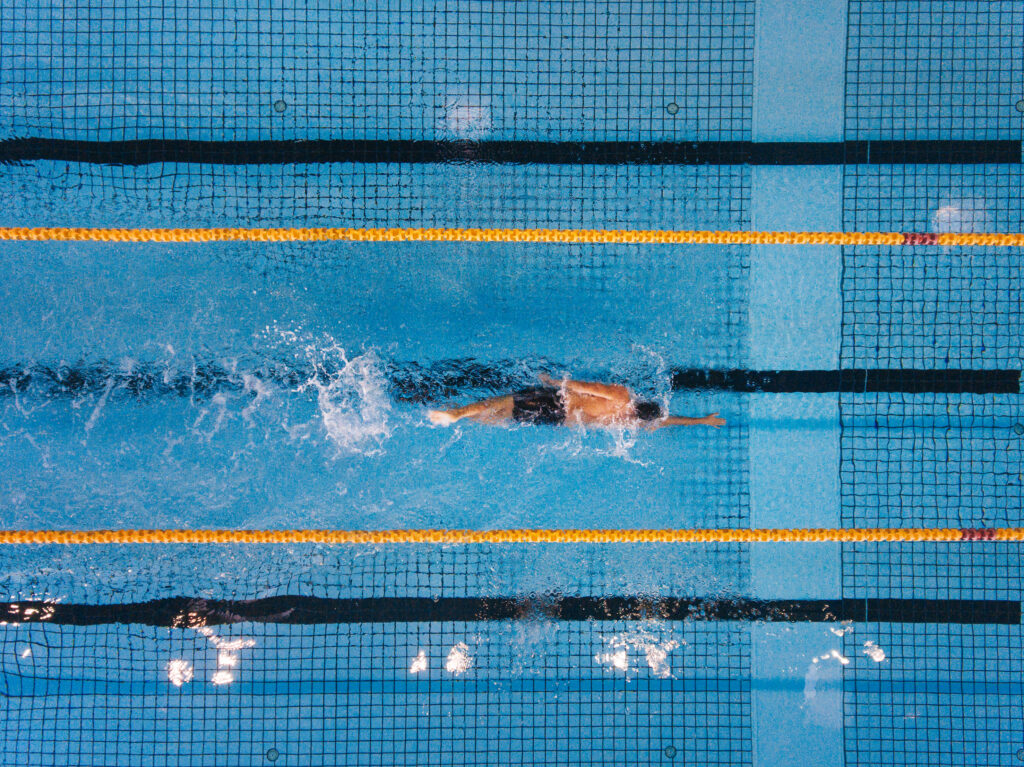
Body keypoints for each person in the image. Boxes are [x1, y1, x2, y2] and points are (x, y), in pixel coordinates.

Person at [428, 373, 724, 430]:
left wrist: (558, 383)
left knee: (499, 402)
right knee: (499, 416)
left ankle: (456, 413)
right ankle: (461, 417)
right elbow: (665, 421)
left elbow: (589, 386)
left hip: (557, 402)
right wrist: (702, 421)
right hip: (557, 419)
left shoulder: (623, 397)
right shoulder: (629, 419)